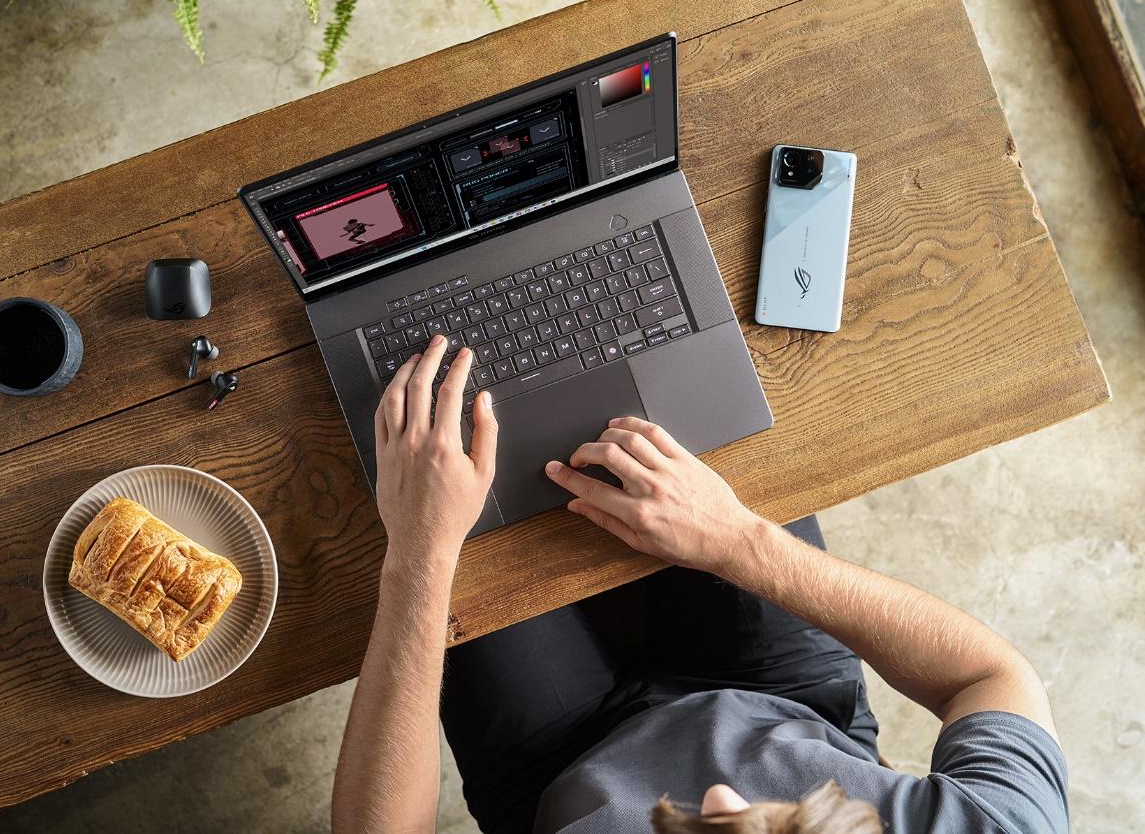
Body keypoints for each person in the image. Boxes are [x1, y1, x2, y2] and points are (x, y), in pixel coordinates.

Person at [332, 336, 1069, 834]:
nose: (717, 792)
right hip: (785, 701)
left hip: (551, 765)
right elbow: (993, 675)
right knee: (669, 376)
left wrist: (420, 558)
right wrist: (739, 541)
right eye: (784, 824)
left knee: (401, 435)